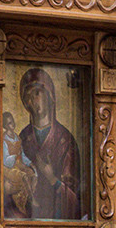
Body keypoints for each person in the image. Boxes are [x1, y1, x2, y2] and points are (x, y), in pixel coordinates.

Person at [17, 67, 82, 220]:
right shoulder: (23, 137)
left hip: (58, 223)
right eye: (28, 97)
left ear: (50, 95)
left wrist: (52, 178)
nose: (32, 100)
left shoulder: (65, 139)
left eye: (37, 93)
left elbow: (75, 197)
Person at [2, 111, 37, 217]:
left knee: (32, 174)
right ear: (5, 125)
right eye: (9, 123)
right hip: (9, 167)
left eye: (12, 121)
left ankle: (29, 197)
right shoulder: (4, 140)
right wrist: (14, 156)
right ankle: (32, 199)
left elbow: (23, 156)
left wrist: (30, 164)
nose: (12, 124)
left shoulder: (17, 138)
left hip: (19, 163)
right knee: (24, 176)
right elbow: (5, 160)